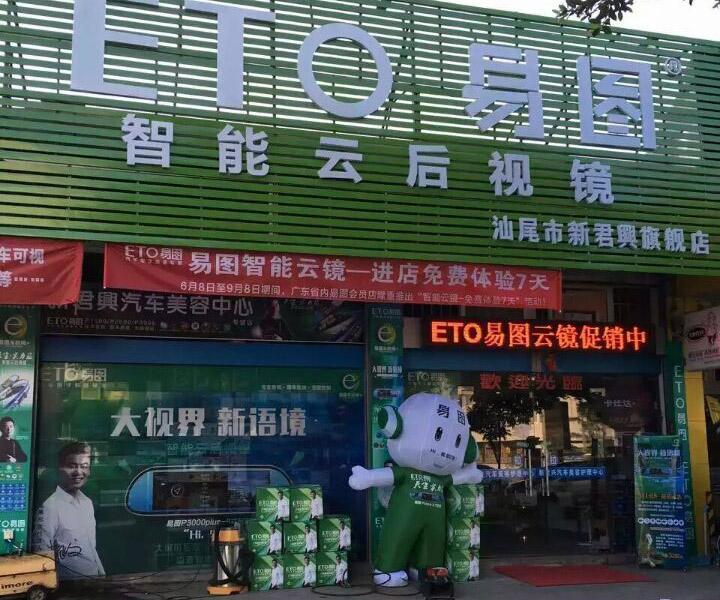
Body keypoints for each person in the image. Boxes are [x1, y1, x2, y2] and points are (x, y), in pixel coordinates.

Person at [33, 442, 105, 578]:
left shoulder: (87, 503)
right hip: (69, 586)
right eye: (72, 466)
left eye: (84, 466)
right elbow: (42, 556)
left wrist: (102, 576)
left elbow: (91, 549)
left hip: (94, 582)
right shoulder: (50, 508)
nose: (78, 472)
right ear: (60, 468)